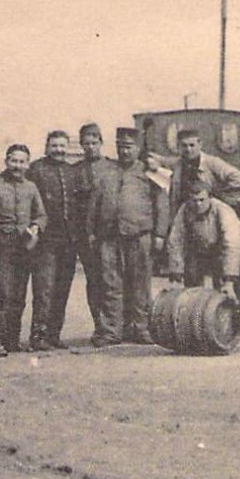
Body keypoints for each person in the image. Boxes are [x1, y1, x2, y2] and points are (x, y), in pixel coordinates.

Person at [86, 126, 168, 346]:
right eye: (121, 147)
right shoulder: (105, 172)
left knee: (140, 285)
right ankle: (112, 331)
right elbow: (94, 204)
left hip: (140, 235)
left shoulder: (150, 172)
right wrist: (91, 232)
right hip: (109, 237)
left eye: (129, 147)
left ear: (138, 148)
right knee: (111, 285)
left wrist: (160, 234)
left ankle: (141, 328)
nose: (124, 152)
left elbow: (162, 204)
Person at [0, 144, 47, 357]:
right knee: (2, 293)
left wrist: (35, 227)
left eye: (22, 162)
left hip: (24, 246)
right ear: (6, 161)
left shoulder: (31, 188)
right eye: (14, 161)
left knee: (19, 295)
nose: (17, 166)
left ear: (27, 164)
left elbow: (41, 215)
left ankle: (13, 340)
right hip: (0, 246)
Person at [166, 181, 240, 348]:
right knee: (198, 293)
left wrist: (229, 280)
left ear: (210, 198)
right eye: (193, 200)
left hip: (239, 252)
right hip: (207, 252)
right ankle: (204, 328)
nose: (197, 204)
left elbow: (232, 245)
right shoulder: (185, 211)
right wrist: (176, 273)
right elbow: (175, 240)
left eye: (202, 200)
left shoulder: (224, 212)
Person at [26, 130, 82, 350]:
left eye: (62, 146)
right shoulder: (36, 170)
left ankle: (53, 334)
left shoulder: (71, 172)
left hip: (68, 240)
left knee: (62, 288)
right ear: (47, 147)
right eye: (54, 146)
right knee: (44, 289)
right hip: (45, 240)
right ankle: (38, 335)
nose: (59, 150)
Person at [73, 123, 113, 334]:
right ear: (81, 145)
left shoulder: (112, 167)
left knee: (113, 280)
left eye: (94, 143)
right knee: (95, 281)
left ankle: (117, 326)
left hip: (111, 234)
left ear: (101, 143)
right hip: (87, 236)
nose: (90, 147)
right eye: (86, 144)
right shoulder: (75, 171)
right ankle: (100, 325)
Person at [166, 127, 240, 213]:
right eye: (184, 146)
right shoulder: (178, 165)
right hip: (186, 214)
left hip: (210, 213)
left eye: (192, 145)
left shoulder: (212, 162)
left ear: (200, 145)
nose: (188, 149)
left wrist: (218, 193)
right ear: (179, 146)